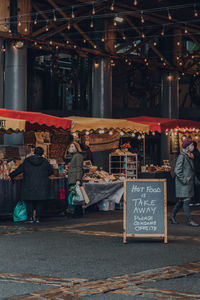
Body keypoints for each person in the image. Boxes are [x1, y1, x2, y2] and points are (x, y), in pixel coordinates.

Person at [9, 147, 54, 223]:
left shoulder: (27, 161)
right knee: (40, 202)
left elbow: (19, 169)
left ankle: (30, 218)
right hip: (42, 185)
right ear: (42, 153)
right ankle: (37, 218)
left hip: (29, 185)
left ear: (34, 152)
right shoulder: (45, 161)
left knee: (29, 202)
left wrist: (11, 175)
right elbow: (51, 171)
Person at [170, 139, 199, 227]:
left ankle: (172, 217)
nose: (192, 146)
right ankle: (189, 220)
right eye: (191, 145)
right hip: (183, 183)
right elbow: (177, 170)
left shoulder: (189, 155)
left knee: (181, 201)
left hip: (187, 183)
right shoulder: (182, 156)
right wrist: (184, 180)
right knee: (187, 201)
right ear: (187, 147)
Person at [65, 141, 84, 217]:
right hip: (73, 178)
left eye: (72, 146)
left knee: (74, 195)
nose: (70, 148)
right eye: (70, 147)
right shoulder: (75, 156)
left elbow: (79, 168)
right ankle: (77, 213)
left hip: (74, 179)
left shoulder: (78, 156)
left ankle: (73, 212)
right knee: (75, 195)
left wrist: (78, 179)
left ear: (77, 147)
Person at [192, 141, 200, 205]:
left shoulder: (194, 153)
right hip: (197, 172)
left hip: (195, 172)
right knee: (196, 186)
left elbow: (195, 164)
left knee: (195, 186)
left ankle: (195, 200)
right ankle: (197, 200)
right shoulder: (197, 152)